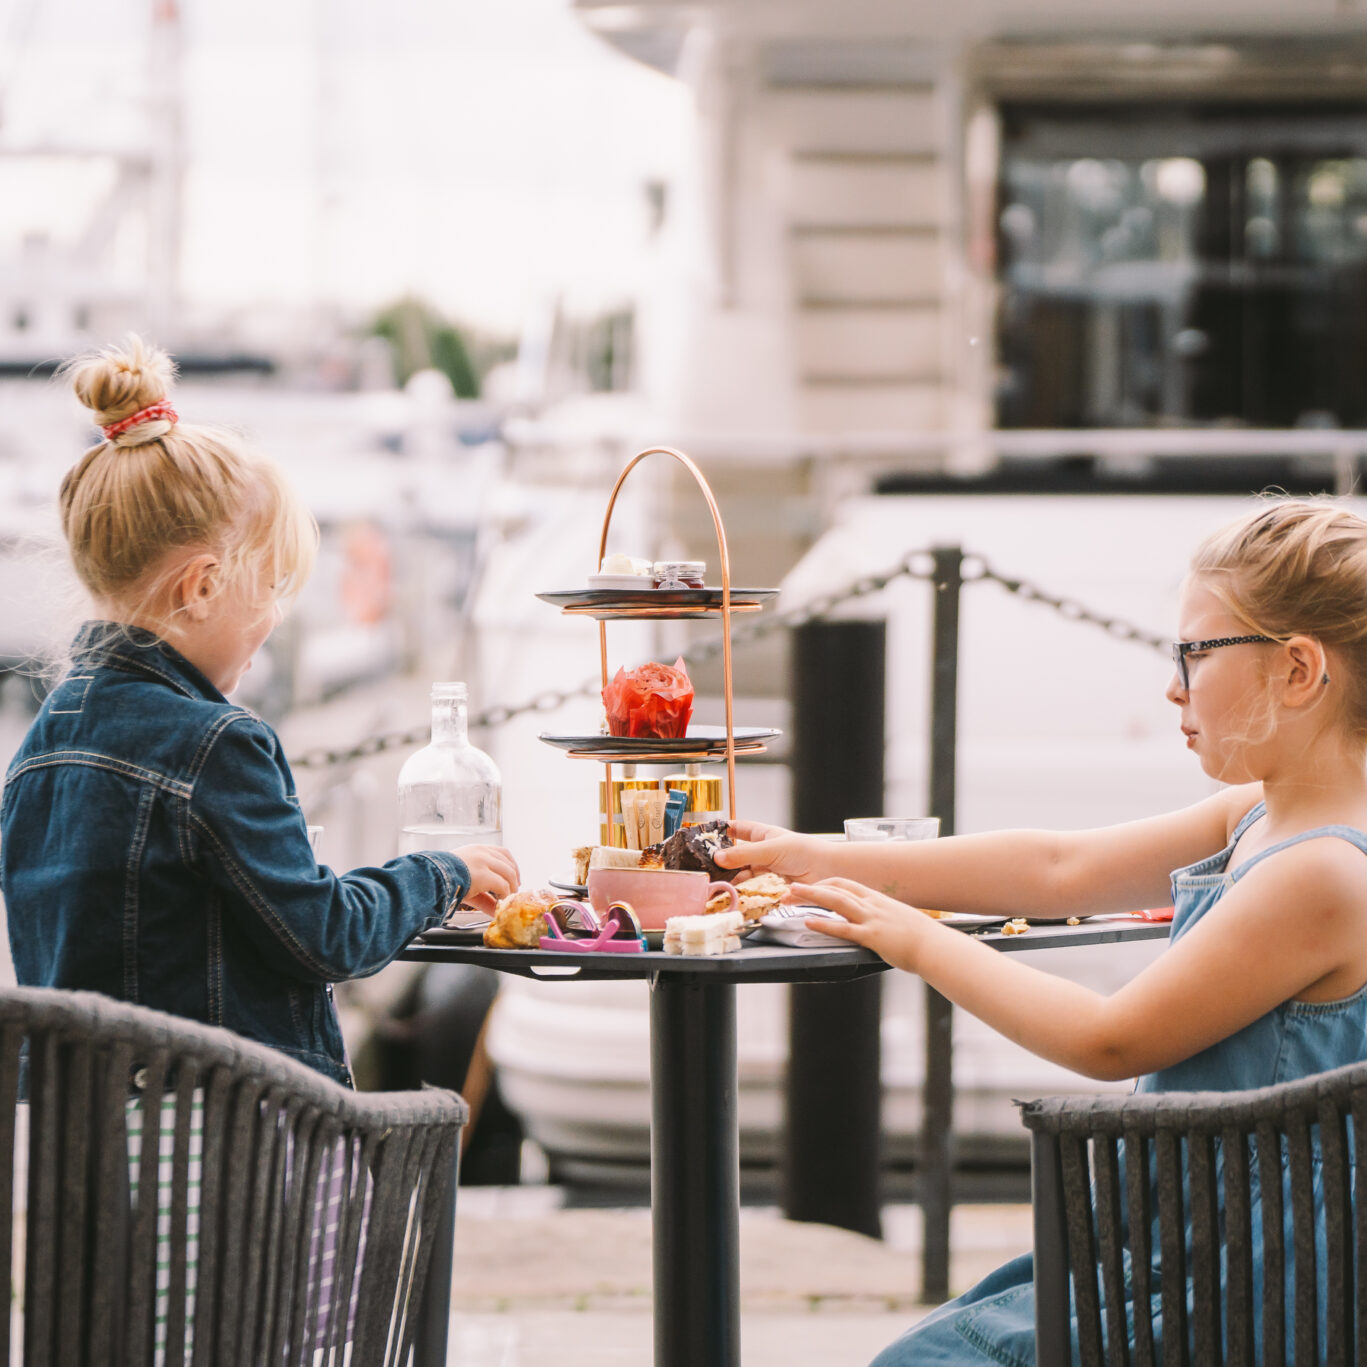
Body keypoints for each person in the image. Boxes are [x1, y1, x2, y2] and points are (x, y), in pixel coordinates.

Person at [716, 498, 1367, 1365]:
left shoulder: (1322, 873)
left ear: (1297, 668)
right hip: (1180, 1235)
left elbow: (1107, 1038)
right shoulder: (1261, 813)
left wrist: (917, 940)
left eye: (1194, 652)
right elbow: (1060, 867)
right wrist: (814, 853)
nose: (1173, 686)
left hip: (1240, 1284)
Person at [0, 335, 519, 1086]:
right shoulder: (216, 744)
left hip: (71, 1134)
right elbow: (327, 936)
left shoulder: (36, 751)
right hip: (216, 1136)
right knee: (429, 1122)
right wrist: (444, 872)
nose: (275, 616)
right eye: (270, 587)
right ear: (203, 586)